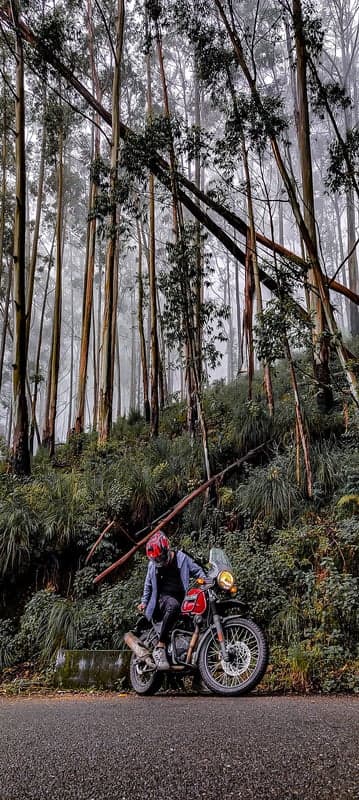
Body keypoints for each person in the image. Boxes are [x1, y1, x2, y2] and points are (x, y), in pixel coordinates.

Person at [137, 531, 206, 670]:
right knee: (173, 605)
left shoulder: (182, 558)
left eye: (160, 557)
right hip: (162, 600)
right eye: (156, 559)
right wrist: (144, 602)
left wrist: (207, 582)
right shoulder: (153, 565)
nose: (159, 561)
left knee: (198, 620)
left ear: (167, 549)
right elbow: (148, 585)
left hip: (184, 600)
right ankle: (160, 645)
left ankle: (195, 665)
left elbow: (198, 571)